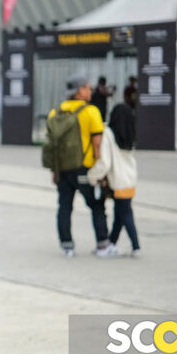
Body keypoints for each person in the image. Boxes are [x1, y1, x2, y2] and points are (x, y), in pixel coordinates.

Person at [48, 74, 114, 257]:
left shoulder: (55, 112)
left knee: (64, 207)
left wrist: (54, 170)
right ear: (79, 91)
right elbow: (97, 143)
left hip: (62, 168)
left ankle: (67, 245)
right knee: (97, 205)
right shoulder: (91, 112)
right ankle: (103, 244)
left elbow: (52, 145)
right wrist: (100, 170)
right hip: (84, 168)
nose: (90, 90)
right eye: (87, 87)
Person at [89, 100, 140, 256]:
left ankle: (136, 246)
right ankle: (112, 242)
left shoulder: (108, 134)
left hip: (118, 181)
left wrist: (92, 176)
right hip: (130, 180)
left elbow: (105, 162)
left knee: (125, 214)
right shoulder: (129, 135)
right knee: (120, 215)